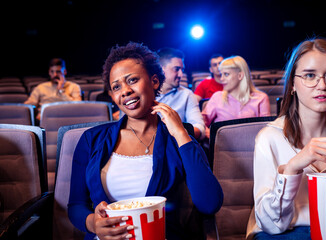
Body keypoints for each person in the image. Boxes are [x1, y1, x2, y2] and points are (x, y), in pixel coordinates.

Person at [67, 42, 223, 240]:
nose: (124, 91)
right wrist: (93, 224)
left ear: (154, 82)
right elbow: (75, 206)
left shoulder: (176, 138)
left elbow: (209, 203)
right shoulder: (92, 139)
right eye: (116, 87)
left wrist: (181, 133)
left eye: (132, 80)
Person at [246, 38, 326, 239]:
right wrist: (291, 168)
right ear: (292, 84)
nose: (322, 85)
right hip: (281, 234)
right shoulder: (269, 138)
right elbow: (270, 225)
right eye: (309, 75)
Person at [202, 56, 270, 135]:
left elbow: (266, 130)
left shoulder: (261, 98)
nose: (221, 79)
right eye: (221, 74)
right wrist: (212, 136)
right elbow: (201, 123)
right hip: (222, 146)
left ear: (240, 76)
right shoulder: (217, 97)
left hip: (252, 146)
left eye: (226, 74)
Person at [156, 47, 206, 139]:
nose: (181, 75)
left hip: (176, 146)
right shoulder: (145, 94)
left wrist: (178, 131)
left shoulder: (186, 94)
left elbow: (200, 128)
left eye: (182, 70)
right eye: (176, 69)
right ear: (161, 69)